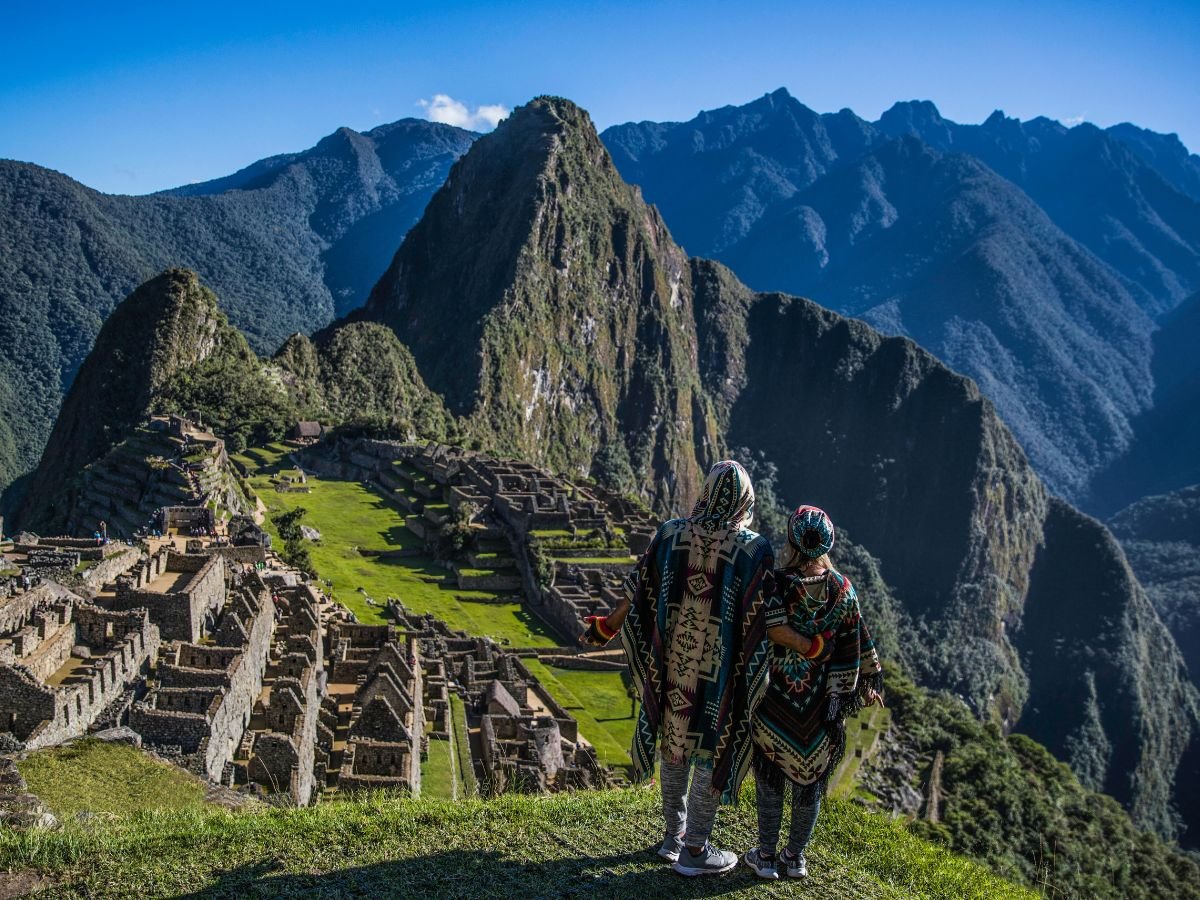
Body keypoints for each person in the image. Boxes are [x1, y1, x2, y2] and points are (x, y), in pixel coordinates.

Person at [581, 461, 827, 877]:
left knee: (674, 742)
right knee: (712, 751)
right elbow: (768, 617)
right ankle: (695, 849)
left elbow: (637, 588)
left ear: (706, 491)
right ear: (745, 501)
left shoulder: (670, 534)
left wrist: (607, 627)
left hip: (673, 664)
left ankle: (672, 839)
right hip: (721, 673)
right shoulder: (752, 550)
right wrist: (811, 645)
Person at [742, 506, 883, 880]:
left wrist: (805, 647)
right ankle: (796, 856)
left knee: (770, 777)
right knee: (811, 783)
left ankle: (767, 857)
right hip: (824, 705)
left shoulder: (776, 583)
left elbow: (769, 629)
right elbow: (859, 638)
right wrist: (868, 681)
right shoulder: (843, 590)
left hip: (776, 701)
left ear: (792, 540)